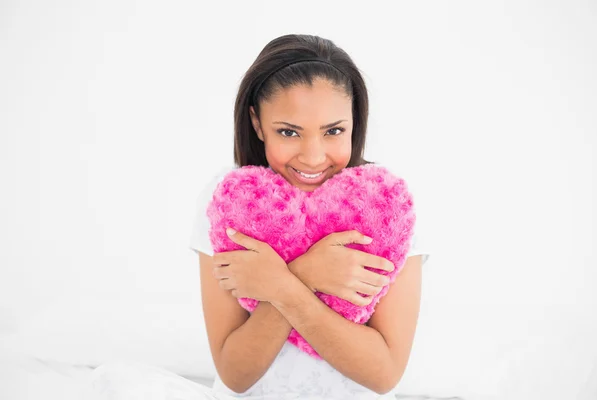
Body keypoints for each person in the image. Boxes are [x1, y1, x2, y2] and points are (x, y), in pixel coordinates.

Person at [89, 34, 430, 400]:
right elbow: (236, 373)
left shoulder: (385, 206)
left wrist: (287, 284)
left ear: (354, 122)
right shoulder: (233, 203)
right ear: (257, 123)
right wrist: (308, 273)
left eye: (333, 131)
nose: (313, 157)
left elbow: (383, 374)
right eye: (288, 132)